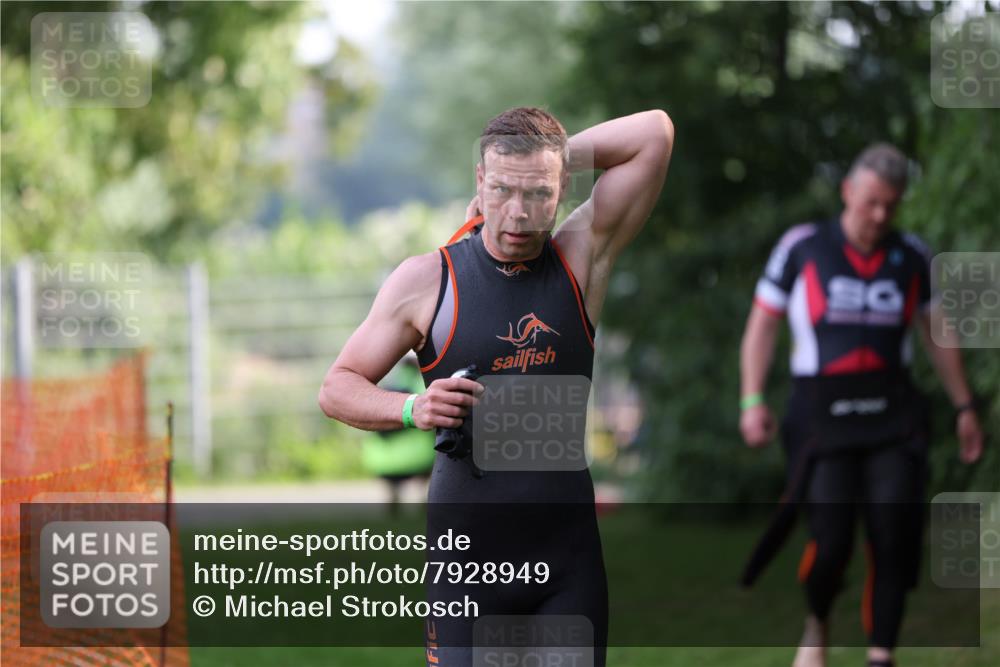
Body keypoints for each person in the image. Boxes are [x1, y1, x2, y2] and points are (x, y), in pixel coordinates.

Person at [319, 107, 673, 666]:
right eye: (503, 189)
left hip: (566, 568)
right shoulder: (427, 280)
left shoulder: (581, 260)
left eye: (538, 194)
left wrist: (554, 157)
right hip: (467, 571)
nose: (518, 213)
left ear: (559, 190)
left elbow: (654, 132)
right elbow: (337, 387)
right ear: (479, 182)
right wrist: (415, 407)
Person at [738, 143, 984, 667]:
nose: (879, 215)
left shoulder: (912, 255)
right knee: (829, 545)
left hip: (892, 414)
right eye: (871, 201)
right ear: (848, 191)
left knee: (894, 534)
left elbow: (939, 333)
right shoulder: (803, 246)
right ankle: (817, 621)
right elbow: (763, 324)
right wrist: (752, 398)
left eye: (890, 205)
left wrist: (964, 407)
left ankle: (881, 655)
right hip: (819, 416)